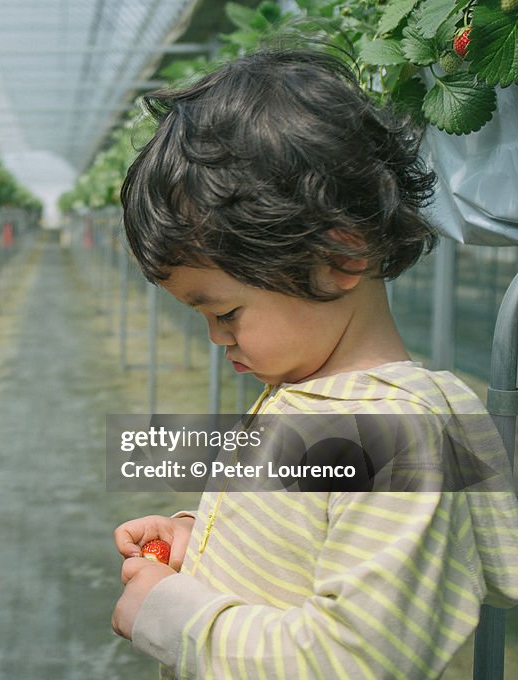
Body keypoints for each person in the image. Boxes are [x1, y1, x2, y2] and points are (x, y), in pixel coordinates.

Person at [111, 48, 518, 678]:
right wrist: (203, 544)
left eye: (224, 311)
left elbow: (356, 659)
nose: (217, 338)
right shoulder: (316, 399)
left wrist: (173, 616)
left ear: (339, 257)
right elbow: (302, 537)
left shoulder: (394, 438)